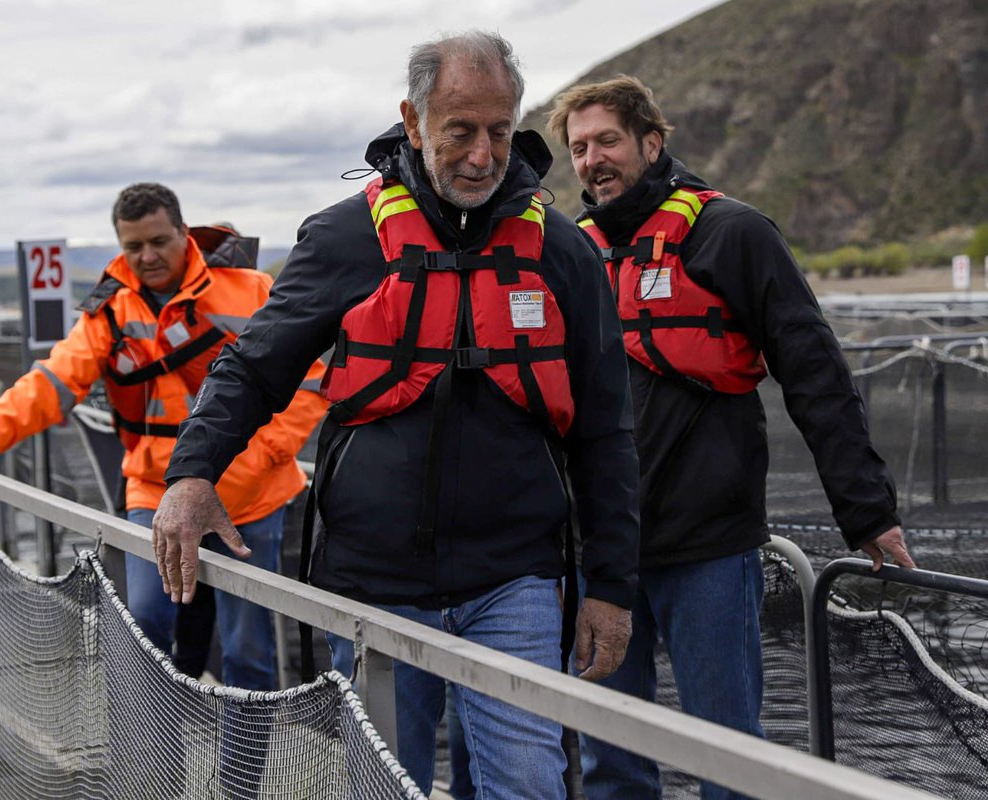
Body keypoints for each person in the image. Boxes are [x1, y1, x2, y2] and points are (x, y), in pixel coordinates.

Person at [152, 31, 641, 799]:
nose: (482, 155)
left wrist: (610, 585)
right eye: (460, 130)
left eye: (500, 131)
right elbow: (253, 367)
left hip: (515, 577)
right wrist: (191, 475)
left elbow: (606, 429)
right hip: (374, 582)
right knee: (383, 783)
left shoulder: (561, 252)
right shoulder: (343, 237)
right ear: (412, 122)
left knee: (528, 784)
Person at [546, 76, 916, 799]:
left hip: (708, 548)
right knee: (610, 764)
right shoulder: (568, 253)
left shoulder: (733, 233)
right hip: (598, 554)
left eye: (608, 141)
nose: (592, 160)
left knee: (730, 758)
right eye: (580, 147)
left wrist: (867, 509)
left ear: (652, 143)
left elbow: (815, 372)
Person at [0, 182, 327, 691]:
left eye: (159, 241)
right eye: (134, 246)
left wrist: (261, 457)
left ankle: (241, 744)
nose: (147, 256)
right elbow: (51, 384)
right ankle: (153, 735)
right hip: (155, 489)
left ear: (184, 232)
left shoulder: (251, 289)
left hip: (253, 495)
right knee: (145, 619)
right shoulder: (110, 311)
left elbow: (309, 381)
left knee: (249, 649)